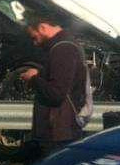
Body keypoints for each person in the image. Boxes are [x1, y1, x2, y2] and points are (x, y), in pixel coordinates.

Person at [19, 13, 87, 160]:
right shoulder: (64, 45)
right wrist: (41, 73)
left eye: (34, 37)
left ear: (42, 27)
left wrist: (33, 78)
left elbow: (56, 93)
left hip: (58, 131)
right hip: (59, 129)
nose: (35, 43)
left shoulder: (63, 49)